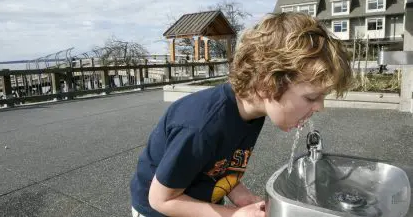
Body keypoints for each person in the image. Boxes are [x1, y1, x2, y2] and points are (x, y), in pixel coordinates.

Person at [130, 12, 353, 217]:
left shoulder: (251, 113)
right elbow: (161, 200)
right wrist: (233, 215)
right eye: (312, 97)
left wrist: (239, 195)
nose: (320, 107)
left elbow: (218, 164)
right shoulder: (201, 127)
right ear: (268, 83)